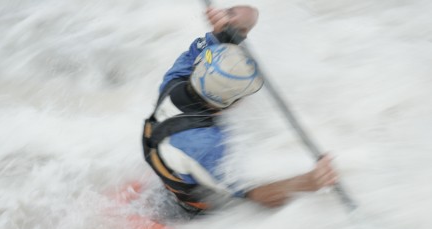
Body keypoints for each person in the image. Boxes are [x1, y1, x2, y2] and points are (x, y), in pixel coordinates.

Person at [142, 5, 337, 215]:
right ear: (232, 102)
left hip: (165, 148)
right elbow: (258, 195)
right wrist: (310, 182)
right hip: (191, 206)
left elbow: (246, 17)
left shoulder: (178, 76)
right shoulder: (208, 147)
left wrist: (229, 26)